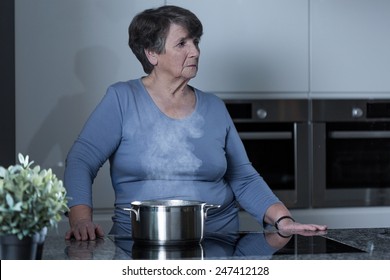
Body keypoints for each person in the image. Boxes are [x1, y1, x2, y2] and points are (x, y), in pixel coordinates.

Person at [64, 5, 327, 241]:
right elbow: (81, 160)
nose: (195, 51)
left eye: (196, 41)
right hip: (138, 240)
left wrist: (284, 220)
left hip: (217, 240)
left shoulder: (214, 107)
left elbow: (243, 178)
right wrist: (81, 220)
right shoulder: (122, 98)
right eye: (182, 44)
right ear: (152, 53)